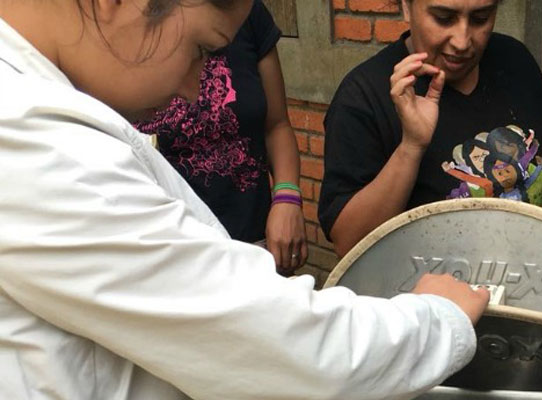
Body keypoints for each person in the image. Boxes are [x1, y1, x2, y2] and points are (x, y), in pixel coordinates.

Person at [0, 0, 489, 399]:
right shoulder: (28, 143)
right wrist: (436, 319)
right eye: (199, 49)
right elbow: (280, 349)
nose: (192, 90)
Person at [319, 0, 542, 256]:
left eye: (480, 18)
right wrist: (411, 147)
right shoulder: (363, 96)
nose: (462, 41)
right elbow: (349, 243)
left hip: (536, 286)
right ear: (406, 6)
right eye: (443, 18)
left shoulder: (515, 61)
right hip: (435, 300)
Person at [134, 0, 307, 274]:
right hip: (175, 254)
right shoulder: (128, 34)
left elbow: (277, 124)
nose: (193, 89)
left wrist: (287, 198)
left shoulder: (248, 14)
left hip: (254, 240)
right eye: (196, 50)